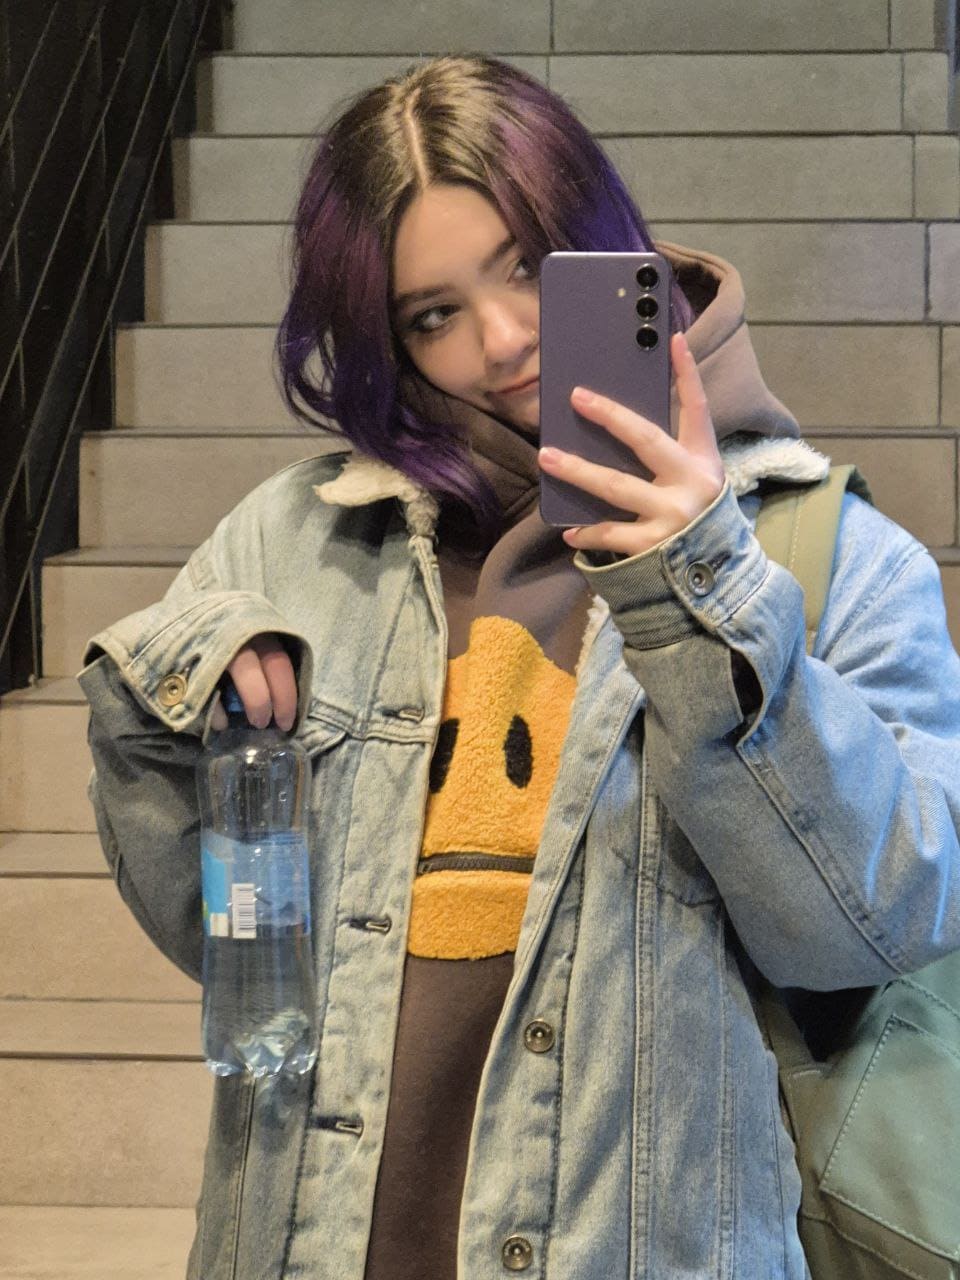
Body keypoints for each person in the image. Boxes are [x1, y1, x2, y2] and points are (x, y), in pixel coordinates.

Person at [78, 53, 960, 1280]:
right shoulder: (291, 544)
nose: (500, 341)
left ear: (605, 247)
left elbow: (872, 924)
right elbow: (223, 937)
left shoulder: (828, 556)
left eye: (530, 268)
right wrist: (174, 717)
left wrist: (700, 581)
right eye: (431, 315)